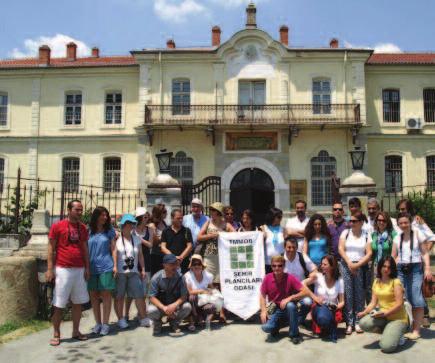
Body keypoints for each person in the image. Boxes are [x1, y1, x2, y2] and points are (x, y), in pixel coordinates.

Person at [46, 200, 90, 346]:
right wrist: (49, 269)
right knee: (59, 303)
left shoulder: (83, 228)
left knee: (78, 303)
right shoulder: (57, 226)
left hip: (79, 269)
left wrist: (87, 268)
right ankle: (56, 333)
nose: (79, 212)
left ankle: (76, 331)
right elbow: (51, 249)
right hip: (63, 269)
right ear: (69, 210)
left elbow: (84, 249)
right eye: (77, 209)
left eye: (81, 210)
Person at [392, 212, 431, 340]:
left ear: (410, 222)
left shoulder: (418, 234)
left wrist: (427, 269)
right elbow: (393, 255)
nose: (403, 225)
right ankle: (406, 326)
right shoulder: (397, 237)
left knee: (416, 298)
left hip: (415, 268)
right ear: (398, 224)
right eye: (401, 223)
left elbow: (425, 253)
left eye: (406, 222)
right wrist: (394, 262)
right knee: (403, 299)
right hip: (401, 269)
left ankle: (416, 330)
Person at [396, 198, 435, 328]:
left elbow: (431, 237)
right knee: (407, 291)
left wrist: (423, 253)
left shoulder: (418, 222)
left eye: (403, 209)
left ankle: (424, 315)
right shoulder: (399, 223)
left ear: (410, 210)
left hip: (417, 262)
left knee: (418, 289)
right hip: (403, 263)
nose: (401, 211)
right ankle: (410, 317)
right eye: (399, 209)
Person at [358, 256, 408, 353]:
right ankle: (389, 333)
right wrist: (364, 312)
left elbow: (399, 304)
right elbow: (373, 302)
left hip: (398, 318)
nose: (386, 269)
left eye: (389, 267)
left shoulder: (395, 282)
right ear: (380, 267)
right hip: (384, 316)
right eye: (384, 266)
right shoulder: (376, 281)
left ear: (392, 269)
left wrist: (385, 314)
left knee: (386, 347)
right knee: (363, 323)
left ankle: (399, 333)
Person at [259, 255, 311, 344]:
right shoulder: (267, 278)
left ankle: (294, 334)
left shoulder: (289, 278)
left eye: (280, 265)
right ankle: (281, 325)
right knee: (266, 328)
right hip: (275, 309)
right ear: (271, 266)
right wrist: (263, 311)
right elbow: (262, 295)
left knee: (295, 304)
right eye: (274, 266)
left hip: (288, 308)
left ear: (284, 266)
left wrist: (289, 298)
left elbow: (306, 292)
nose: (277, 268)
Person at [197, 202, 234, 322]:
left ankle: (222, 312)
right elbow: (199, 237)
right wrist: (214, 235)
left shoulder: (226, 225)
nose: (211, 212)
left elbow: (237, 237)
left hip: (223, 258)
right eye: (211, 210)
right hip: (209, 257)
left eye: (213, 210)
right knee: (210, 284)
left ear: (218, 212)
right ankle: (212, 310)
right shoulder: (208, 222)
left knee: (222, 285)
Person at [338, 211, 372, 335]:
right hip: (346, 265)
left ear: (361, 222)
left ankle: (358, 321)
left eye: (354, 221)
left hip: (360, 266)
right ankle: (349, 322)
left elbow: (369, 253)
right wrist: (349, 263)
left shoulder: (367, 235)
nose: (351, 223)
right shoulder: (345, 233)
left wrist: (356, 265)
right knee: (348, 294)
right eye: (350, 221)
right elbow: (340, 249)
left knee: (359, 294)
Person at [113, 214, 148, 329]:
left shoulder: (136, 239)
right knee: (120, 296)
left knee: (139, 295)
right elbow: (114, 254)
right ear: (123, 225)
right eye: (128, 223)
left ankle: (143, 318)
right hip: (121, 273)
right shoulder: (117, 239)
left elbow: (141, 255)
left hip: (133, 272)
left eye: (132, 224)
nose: (131, 226)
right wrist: (115, 268)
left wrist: (142, 269)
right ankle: (120, 319)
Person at [87, 206, 117, 336]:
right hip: (92, 267)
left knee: (106, 296)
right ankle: (98, 323)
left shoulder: (109, 231)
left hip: (106, 266)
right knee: (93, 297)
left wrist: (115, 265)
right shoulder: (89, 231)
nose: (105, 217)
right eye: (102, 215)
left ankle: (106, 324)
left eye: (106, 215)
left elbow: (114, 249)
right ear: (96, 216)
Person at [148, 254, 192, 336]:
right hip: (161, 307)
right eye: (172, 264)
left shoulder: (181, 277)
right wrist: (164, 308)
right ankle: (157, 323)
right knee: (150, 310)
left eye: (175, 263)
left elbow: (184, 296)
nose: (175, 266)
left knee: (187, 306)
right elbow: (151, 297)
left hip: (174, 307)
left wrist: (174, 305)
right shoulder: (156, 278)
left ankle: (174, 322)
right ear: (164, 265)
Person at [125, 207, 154, 323]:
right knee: (131, 291)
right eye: (145, 216)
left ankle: (140, 313)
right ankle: (126, 313)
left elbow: (150, 245)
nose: (147, 218)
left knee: (143, 290)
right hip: (133, 262)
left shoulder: (149, 230)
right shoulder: (133, 230)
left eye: (147, 216)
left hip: (146, 261)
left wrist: (139, 239)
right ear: (140, 217)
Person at [306, 255, 344, 343]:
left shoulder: (340, 280)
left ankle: (327, 326)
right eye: (321, 264)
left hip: (332, 308)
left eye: (325, 264)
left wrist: (336, 307)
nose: (322, 266)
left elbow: (342, 302)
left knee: (326, 317)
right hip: (319, 306)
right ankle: (328, 326)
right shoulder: (318, 276)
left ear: (332, 266)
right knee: (323, 317)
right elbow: (302, 284)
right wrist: (314, 297)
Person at [283, 237, 317, 324]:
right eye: (289, 247)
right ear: (284, 247)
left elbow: (315, 271)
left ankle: (299, 319)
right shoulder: (280, 259)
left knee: (308, 302)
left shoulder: (303, 257)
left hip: (301, 291)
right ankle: (288, 318)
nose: (291, 249)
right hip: (285, 292)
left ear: (297, 248)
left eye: (294, 247)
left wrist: (311, 276)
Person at [184, 254, 216, 331]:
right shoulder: (187, 276)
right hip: (192, 302)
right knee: (192, 297)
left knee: (212, 305)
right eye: (194, 264)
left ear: (202, 266)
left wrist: (212, 292)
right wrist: (203, 291)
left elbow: (212, 289)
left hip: (204, 301)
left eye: (199, 264)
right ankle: (192, 321)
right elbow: (190, 291)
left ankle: (203, 319)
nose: (197, 266)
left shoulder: (208, 275)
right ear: (191, 266)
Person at [161, 209, 193, 274]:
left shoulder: (186, 231)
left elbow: (189, 246)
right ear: (172, 218)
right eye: (178, 218)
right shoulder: (166, 231)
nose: (181, 220)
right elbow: (163, 247)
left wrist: (180, 258)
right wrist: (174, 258)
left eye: (182, 218)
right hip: (169, 264)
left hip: (184, 264)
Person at [261, 207, 285, 274]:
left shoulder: (283, 230)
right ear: (272, 217)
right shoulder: (263, 228)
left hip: (280, 264)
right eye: (279, 217)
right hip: (267, 263)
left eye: (281, 217)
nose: (281, 219)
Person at [149, 204, 168, 276]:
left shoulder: (163, 223)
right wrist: (164, 237)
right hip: (155, 255)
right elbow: (154, 241)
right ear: (159, 213)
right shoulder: (152, 225)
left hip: (163, 255)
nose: (166, 213)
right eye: (164, 211)